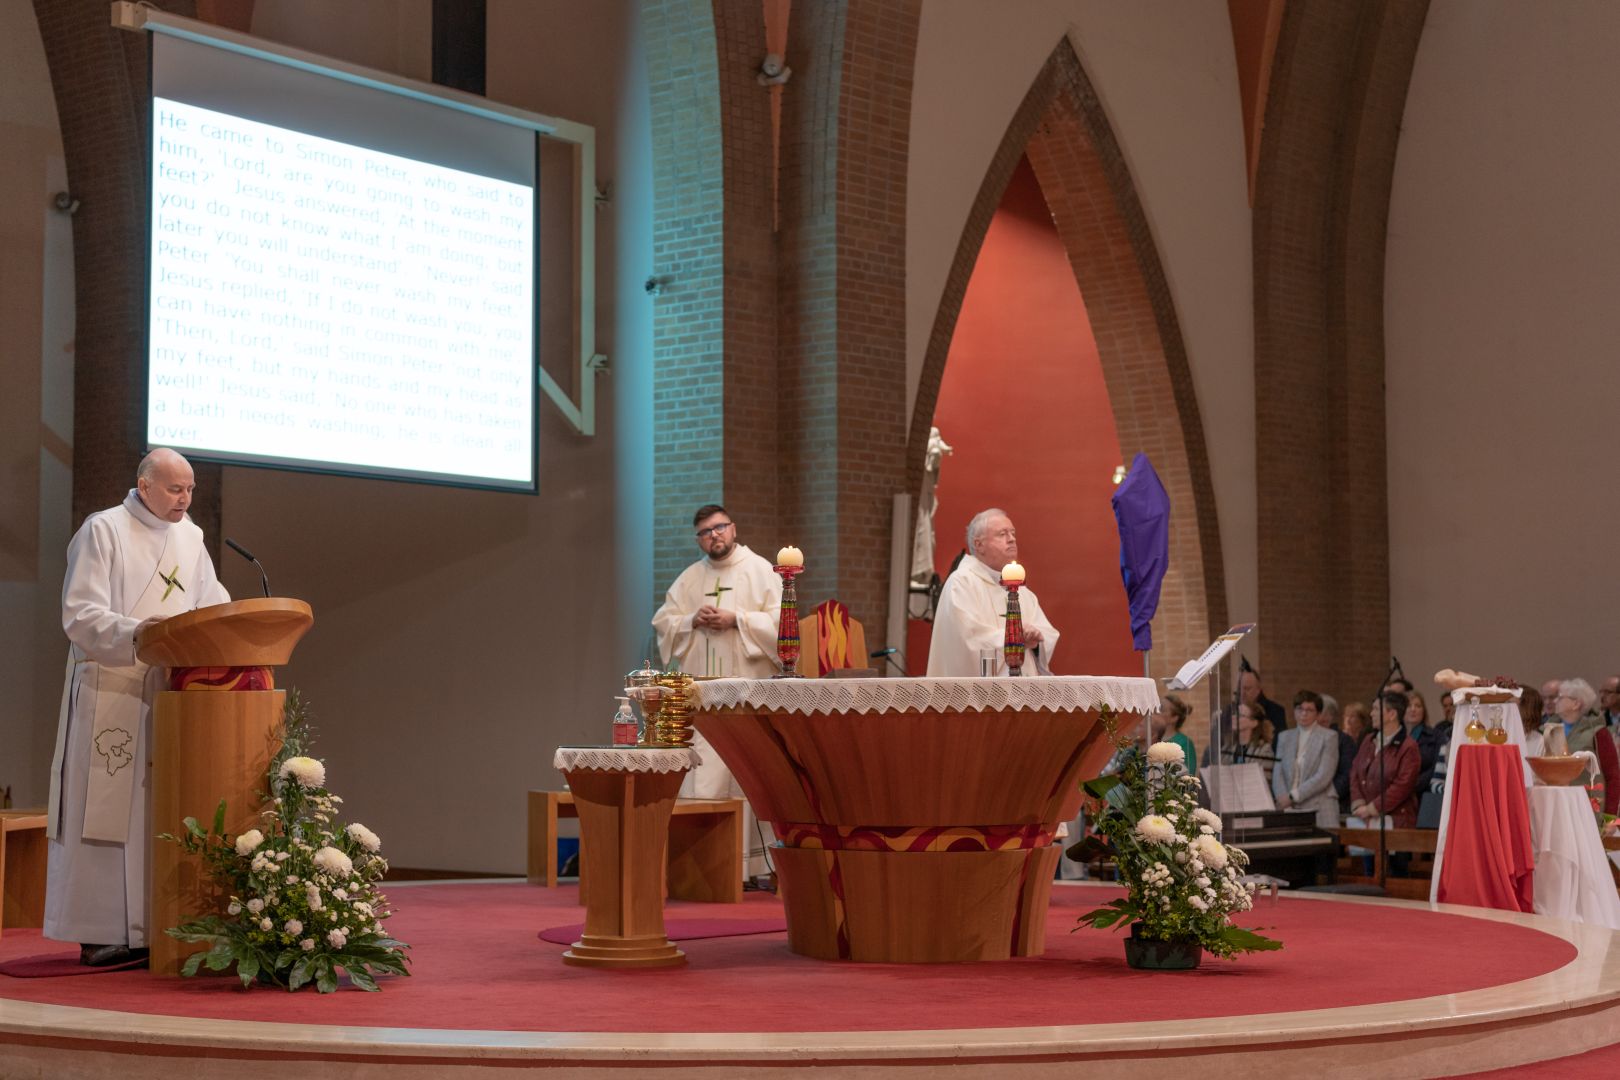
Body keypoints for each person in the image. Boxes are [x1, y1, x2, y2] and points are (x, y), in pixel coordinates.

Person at [45, 449, 230, 966]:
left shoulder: (190, 537)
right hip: (112, 685)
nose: (185, 499)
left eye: (190, 489)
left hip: (169, 691)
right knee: (104, 812)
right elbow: (80, 614)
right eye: (175, 489)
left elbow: (213, 605)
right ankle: (99, 932)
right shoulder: (103, 530)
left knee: (155, 807)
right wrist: (138, 633)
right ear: (144, 486)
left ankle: (154, 926)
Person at [651, 504, 782, 880]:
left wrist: (737, 619)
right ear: (699, 539)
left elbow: (783, 624)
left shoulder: (760, 570)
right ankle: (706, 869)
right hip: (703, 703)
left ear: (733, 528)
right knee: (704, 773)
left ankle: (751, 868)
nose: (714, 535)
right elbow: (664, 622)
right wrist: (691, 620)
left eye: (719, 527)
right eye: (705, 532)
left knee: (746, 774)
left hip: (745, 702)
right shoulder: (690, 579)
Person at [926, 509, 1059, 676]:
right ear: (979, 545)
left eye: (1013, 533)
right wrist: (1014, 638)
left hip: (1023, 689)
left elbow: (1047, 634)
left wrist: (1036, 640)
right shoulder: (961, 584)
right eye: (1002, 534)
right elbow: (967, 641)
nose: (1012, 539)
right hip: (982, 691)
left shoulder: (1022, 591)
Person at [1348, 690, 1422, 829]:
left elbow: (1402, 785)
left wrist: (1372, 808)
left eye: (1376, 709)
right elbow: (1355, 772)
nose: (1371, 714)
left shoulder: (1408, 747)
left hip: (1396, 821)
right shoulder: (1369, 740)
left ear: (1392, 714)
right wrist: (1359, 804)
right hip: (1364, 819)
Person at [1273, 691, 1339, 827]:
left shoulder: (1329, 737)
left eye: (1309, 710)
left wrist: (1293, 796)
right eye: (1300, 709)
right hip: (1288, 807)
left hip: (1320, 806)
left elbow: (1324, 776)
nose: (1303, 713)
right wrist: (1282, 798)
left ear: (1318, 714)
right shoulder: (1284, 737)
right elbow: (1278, 773)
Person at [1204, 702, 1278, 785]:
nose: (1234, 717)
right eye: (1234, 714)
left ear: (1254, 723)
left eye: (1240, 715)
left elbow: (1265, 781)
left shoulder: (1264, 750)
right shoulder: (1227, 748)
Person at [1151, 695, 1197, 777]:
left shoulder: (1184, 742)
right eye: (1156, 708)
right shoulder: (1151, 738)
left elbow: (1188, 776)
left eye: (1161, 709)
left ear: (1174, 718)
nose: (1156, 712)